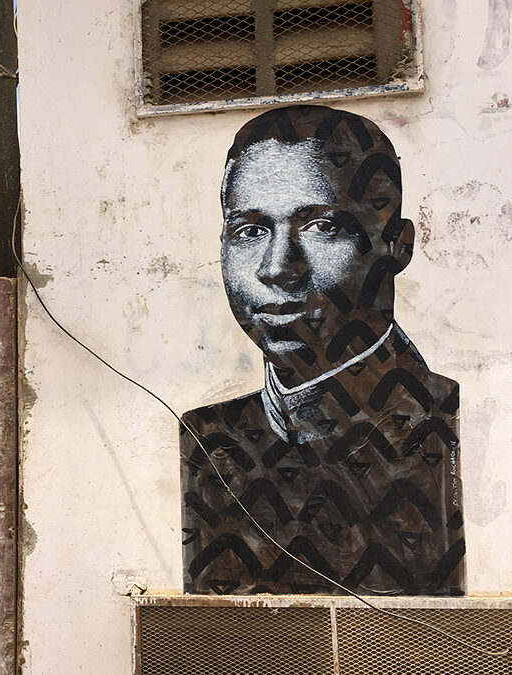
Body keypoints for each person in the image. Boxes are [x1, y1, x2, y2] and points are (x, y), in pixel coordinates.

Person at [181, 105, 465, 596]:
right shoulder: (208, 437)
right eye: (249, 231)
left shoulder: (442, 422)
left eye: (321, 226)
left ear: (397, 247)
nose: (276, 268)